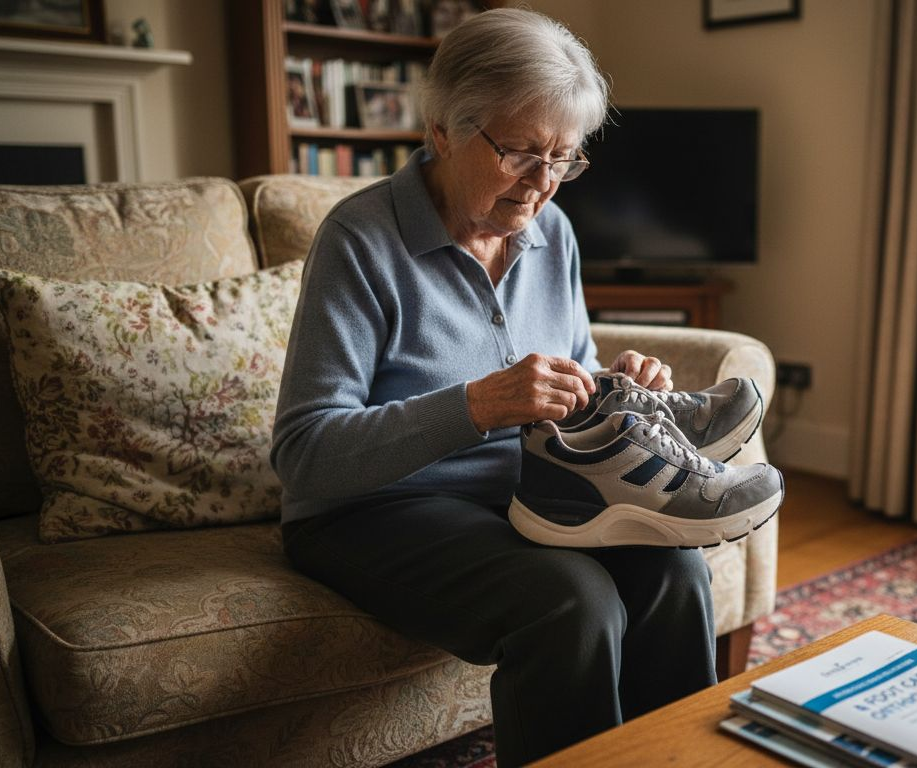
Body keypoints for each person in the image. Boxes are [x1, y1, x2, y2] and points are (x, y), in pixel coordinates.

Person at [270, 9, 714, 766]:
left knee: (675, 568)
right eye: (519, 153)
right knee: (573, 602)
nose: (542, 185)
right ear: (444, 128)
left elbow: (567, 389)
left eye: (563, 160)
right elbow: (306, 454)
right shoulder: (362, 240)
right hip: (370, 511)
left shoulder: (554, 234)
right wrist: (476, 405)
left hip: (532, 495)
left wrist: (615, 388)